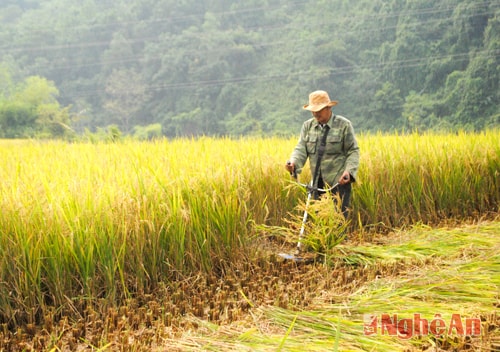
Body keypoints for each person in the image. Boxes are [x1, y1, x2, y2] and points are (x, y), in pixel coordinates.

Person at [285, 90, 360, 219]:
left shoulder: (344, 125)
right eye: (313, 110)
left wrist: (349, 172)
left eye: (319, 110)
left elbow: (353, 151)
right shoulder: (308, 126)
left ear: (328, 107)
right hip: (316, 184)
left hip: (338, 183)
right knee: (318, 223)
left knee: (338, 223)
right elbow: (301, 148)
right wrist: (293, 162)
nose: (315, 113)